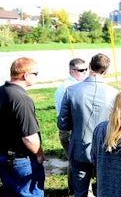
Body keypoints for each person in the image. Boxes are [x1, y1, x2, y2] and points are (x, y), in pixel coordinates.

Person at [57, 53, 118, 197]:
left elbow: (62, 123)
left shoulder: (71, 91)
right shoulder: (115, 94)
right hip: (106, 147)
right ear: (106, 70)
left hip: (80, 146)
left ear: (90, 66)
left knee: (81, 191)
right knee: (106, 188)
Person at [0, 57, 45, 197]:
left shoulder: (2, 91)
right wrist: (39, 154)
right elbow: (29, 137)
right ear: (26, 75)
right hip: (20, 161)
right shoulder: (21, 99)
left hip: (4, 156)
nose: (37, 77)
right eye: (36, 74)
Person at [54, 57, 88, 195]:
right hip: (70, 130)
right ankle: (81, 191)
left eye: (86, 69)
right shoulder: (68, 88)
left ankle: (73, 189)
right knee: (78, 163)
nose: (85, 73)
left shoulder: (76, 85)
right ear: (71, 71)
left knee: (74, 162)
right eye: (81, 70)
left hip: (74, 129)